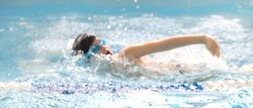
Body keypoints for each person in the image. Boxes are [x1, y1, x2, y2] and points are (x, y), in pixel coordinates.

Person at [72, 33, 221, 64]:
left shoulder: (126, 55)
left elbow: (164, 44)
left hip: (181, 71)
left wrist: (202, 39)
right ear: (87, 55)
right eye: (97, 46)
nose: (104, 47)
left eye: (103, 42)